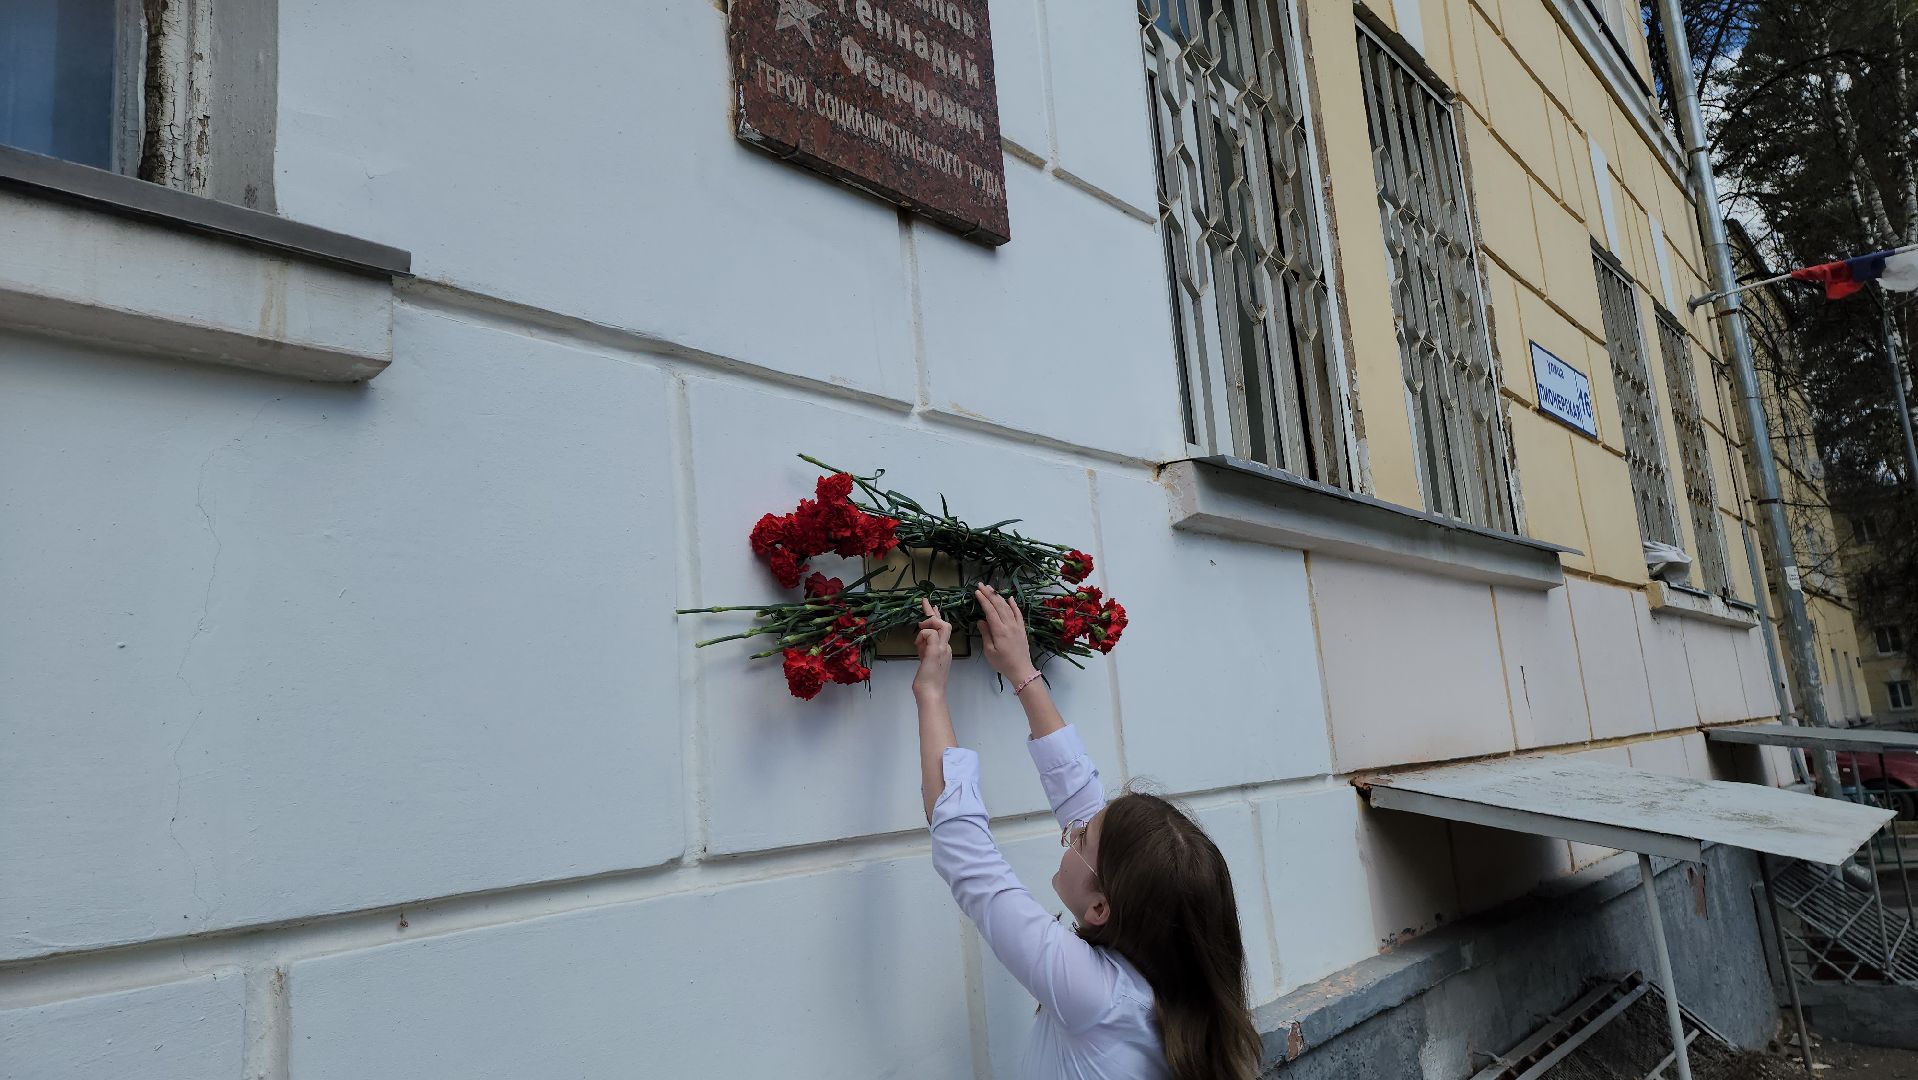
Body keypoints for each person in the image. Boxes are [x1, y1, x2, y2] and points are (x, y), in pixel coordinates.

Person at [913, 585, 1263, 1080]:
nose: (1071, 831)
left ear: (1102, 908)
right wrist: (1021, 671)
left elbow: (967, 855)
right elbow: (1082, 798)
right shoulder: (1166, 977)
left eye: (1081, 840)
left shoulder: (1094, 994)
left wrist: (930, 693)